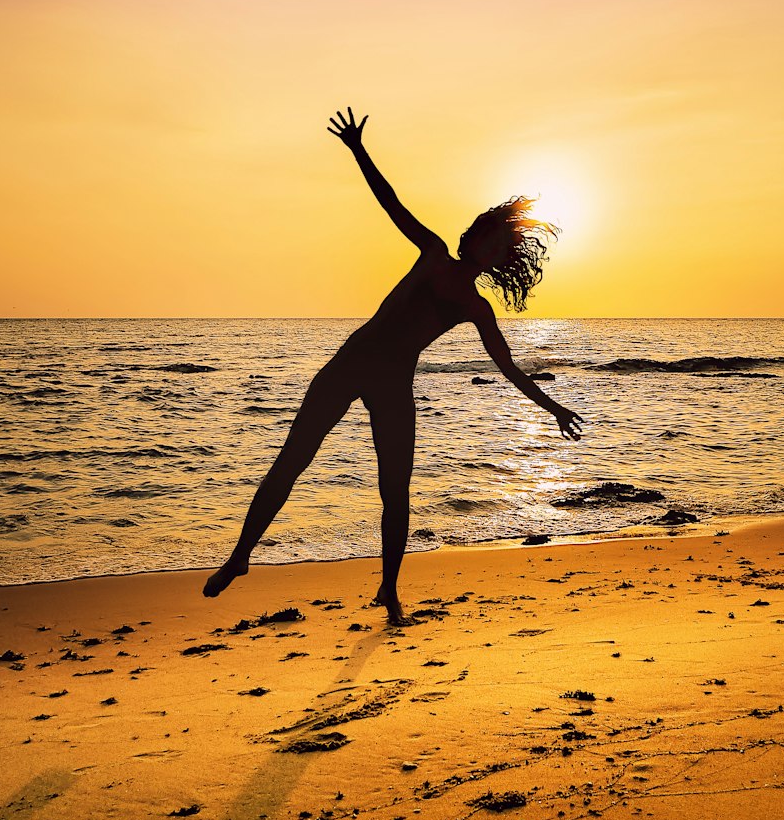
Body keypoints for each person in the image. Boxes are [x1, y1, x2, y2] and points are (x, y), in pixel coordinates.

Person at [203, 108, 582, 623]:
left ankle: (389, 590)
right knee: (292, 461)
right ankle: (240, 557)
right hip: (349, 364)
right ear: (471, 234)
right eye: (482, 231)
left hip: (393, 384)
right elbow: (391, 204)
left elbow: (509, 368)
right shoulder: (431, 252)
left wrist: (552, 406)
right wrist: (358, 149)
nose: (482, 241)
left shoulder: (475, 307)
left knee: (394, 490)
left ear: (495, 257)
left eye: (495, 242)